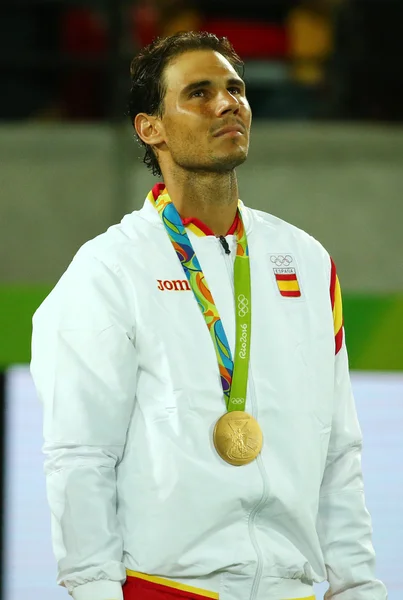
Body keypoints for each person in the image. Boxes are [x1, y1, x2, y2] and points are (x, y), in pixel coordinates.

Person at [30, 31, 387, 600]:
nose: (227, 104)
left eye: (235, 89)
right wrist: (95, 589)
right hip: (167, 589)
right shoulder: (109, 268)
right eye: (198, 93)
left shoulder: (306, 260)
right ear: (151, 128)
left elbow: (338, 449)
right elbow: (81, 455)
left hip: (290, 591)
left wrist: (358, 587)